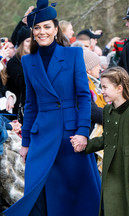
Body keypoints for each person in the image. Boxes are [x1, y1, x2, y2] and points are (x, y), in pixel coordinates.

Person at [3, 0, 101, 215]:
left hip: (70, 136)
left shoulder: (74, 55)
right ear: (32, 32)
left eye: (47, 26)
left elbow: (84, 97)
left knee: (74, 194)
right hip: (41, 137)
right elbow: (30, 105)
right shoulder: (28, 62)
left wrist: (83, 132)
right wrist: (26, 142)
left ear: (56, 29)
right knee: (36, 194)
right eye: (37, 28)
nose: (42, 32)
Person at [73, 66, 129, 216]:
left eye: (105, 87)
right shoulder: (108, 112)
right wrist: (84, 145)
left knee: (126, 210)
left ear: (119, 88)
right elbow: (107, 138)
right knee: (111, 208)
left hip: (128, 171)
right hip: (112, 169)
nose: (102, 92)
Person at [83, 48, 106, 133]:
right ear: (88, 70)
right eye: (97, 65)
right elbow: (92, 110)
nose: (100, 68)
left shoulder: (94, 84)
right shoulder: (84, 84)